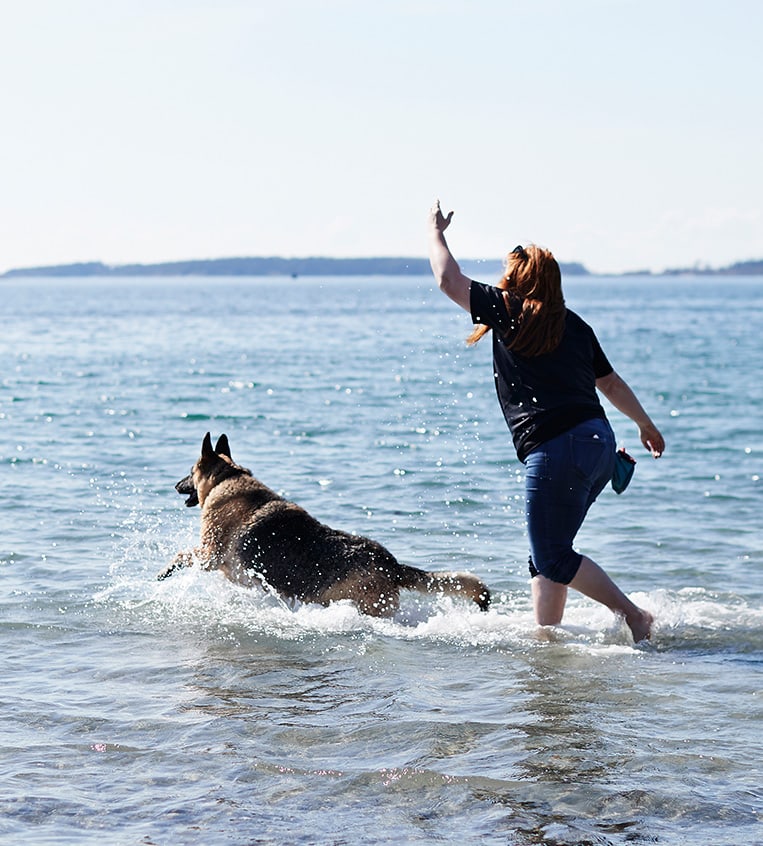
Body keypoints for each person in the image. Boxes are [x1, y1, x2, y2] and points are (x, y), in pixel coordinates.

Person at [427, 201, 665, 642]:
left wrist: (434, 232)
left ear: (517, 281)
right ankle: (548, 641)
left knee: (553, 556)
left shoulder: (508, 309)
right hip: (597, 446)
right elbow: (610, 385)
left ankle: (634, 615)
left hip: (559, 448)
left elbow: (447, 280)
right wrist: (645, 424)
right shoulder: (573, 325)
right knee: (547, 553)